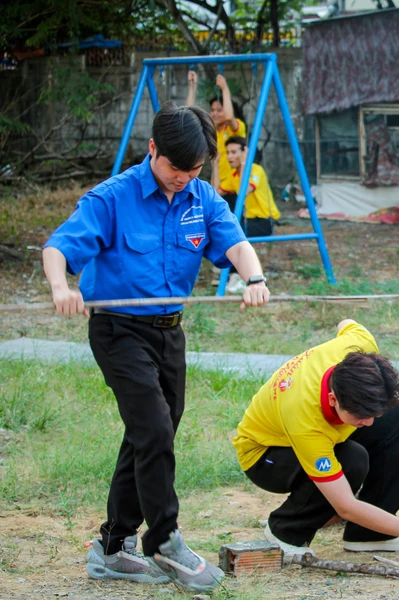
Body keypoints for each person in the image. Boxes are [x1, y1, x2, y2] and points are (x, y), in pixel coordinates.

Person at [42, 103, 271, 592]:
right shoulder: (113, 198)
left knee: (150, 434)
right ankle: (164, 540)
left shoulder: (202, 196)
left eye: (194, 170)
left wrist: (254, 277)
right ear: (152, 150)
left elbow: (234, 242)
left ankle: (111, 547)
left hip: (169, 332)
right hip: (118, 330)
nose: (184, 178)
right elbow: (59, 247)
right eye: (176, 168)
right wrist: (62, 287)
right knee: (153, 429)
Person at [232, 319, 399, 560]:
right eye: (361, 416)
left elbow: (345, 322)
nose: (369, 423)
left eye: (372, 415)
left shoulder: (359, 344)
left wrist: (386, 391)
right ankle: (285, 531)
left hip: (322, 427)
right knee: (351, 460)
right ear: (333, 400)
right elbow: (346, 505)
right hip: (266, 456)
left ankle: (368, 535)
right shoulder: (305, 418)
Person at [213, 135, 281, 237]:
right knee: (220, 227)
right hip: (248, 220)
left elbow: (244, 191)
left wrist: (244, 162)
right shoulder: (234, 175)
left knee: (231, 233)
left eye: (233, 152)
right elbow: (215, 193)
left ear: (244, 153)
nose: (229, 156)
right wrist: (215, 165)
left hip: (264, 220)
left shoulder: (256, 170)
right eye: (228, 152)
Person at [187, 71, 247, 180]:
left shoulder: (236, 128)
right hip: (218, 182)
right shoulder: (211, 128)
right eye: (213, 110)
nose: (215, 114)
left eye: (219, 110)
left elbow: (229, 117)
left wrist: (224, 88)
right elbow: (189, 115)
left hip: (236, 182)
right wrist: (192, 87)